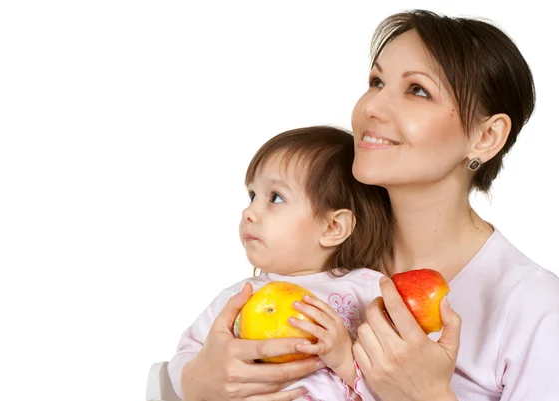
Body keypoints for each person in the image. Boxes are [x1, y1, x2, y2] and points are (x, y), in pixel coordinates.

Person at [172, 9, 559, 401]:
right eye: (376, 81)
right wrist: (194, 384)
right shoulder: (311, 248)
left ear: (487, 136)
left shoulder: (534, 309)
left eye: (417, 90)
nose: (370, 108)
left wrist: (427, 396)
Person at [167, 126, 393, 401]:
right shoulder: (241, 299)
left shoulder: (370, 292)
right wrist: (195, 383)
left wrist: (345, 357)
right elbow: (187, 354)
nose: (249, 212)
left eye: (275, 197)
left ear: (333, 226)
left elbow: (402, 384)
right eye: (252, 196)